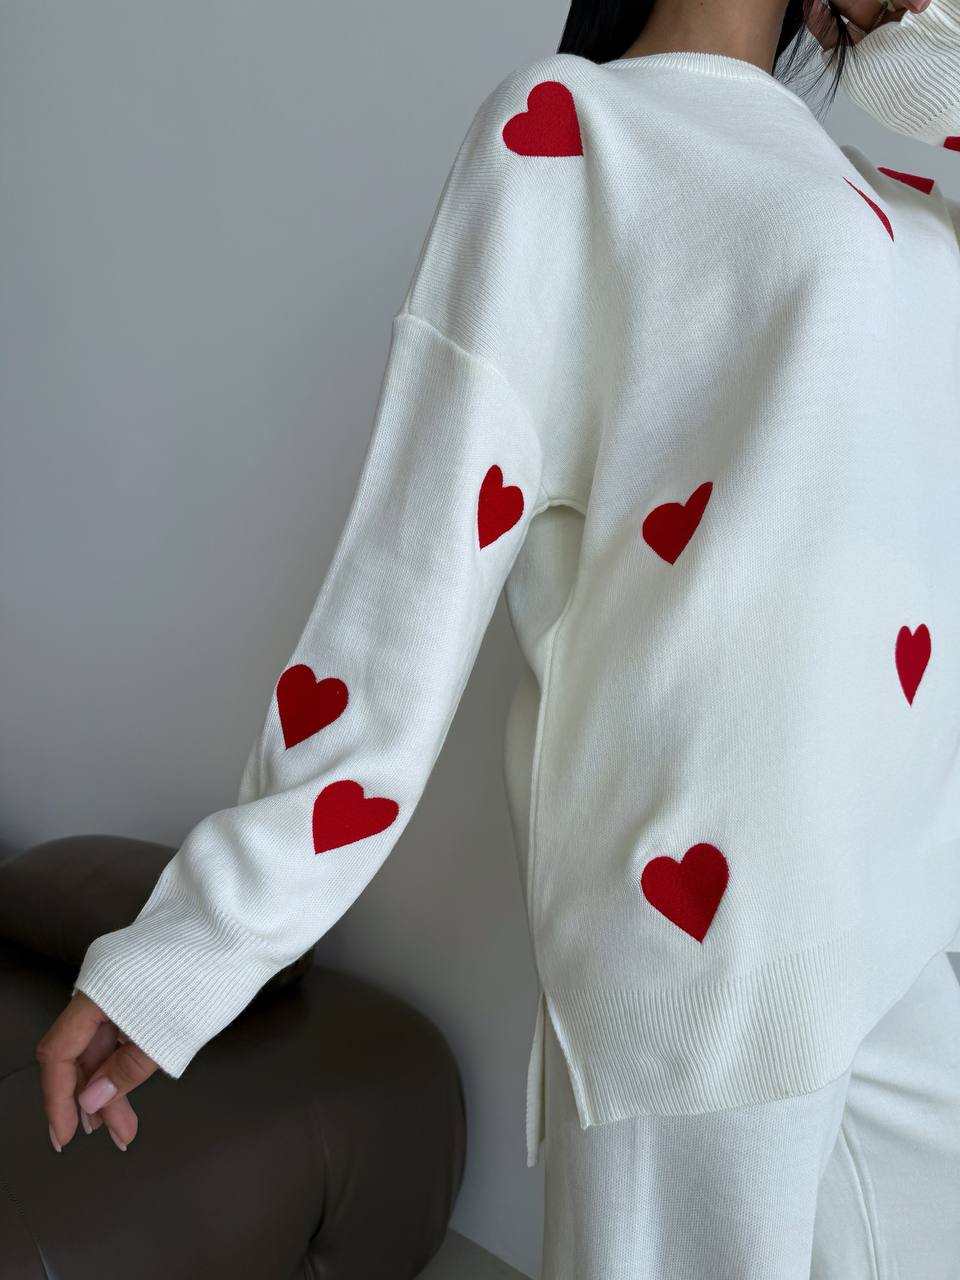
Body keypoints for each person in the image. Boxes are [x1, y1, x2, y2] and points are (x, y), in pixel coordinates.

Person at [37, 0, 960, 1273]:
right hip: (705, 945)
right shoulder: (570, 135)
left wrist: (908, 35)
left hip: (909, 922)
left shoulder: (883, 189)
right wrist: (191, 952)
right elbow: (403, 594)